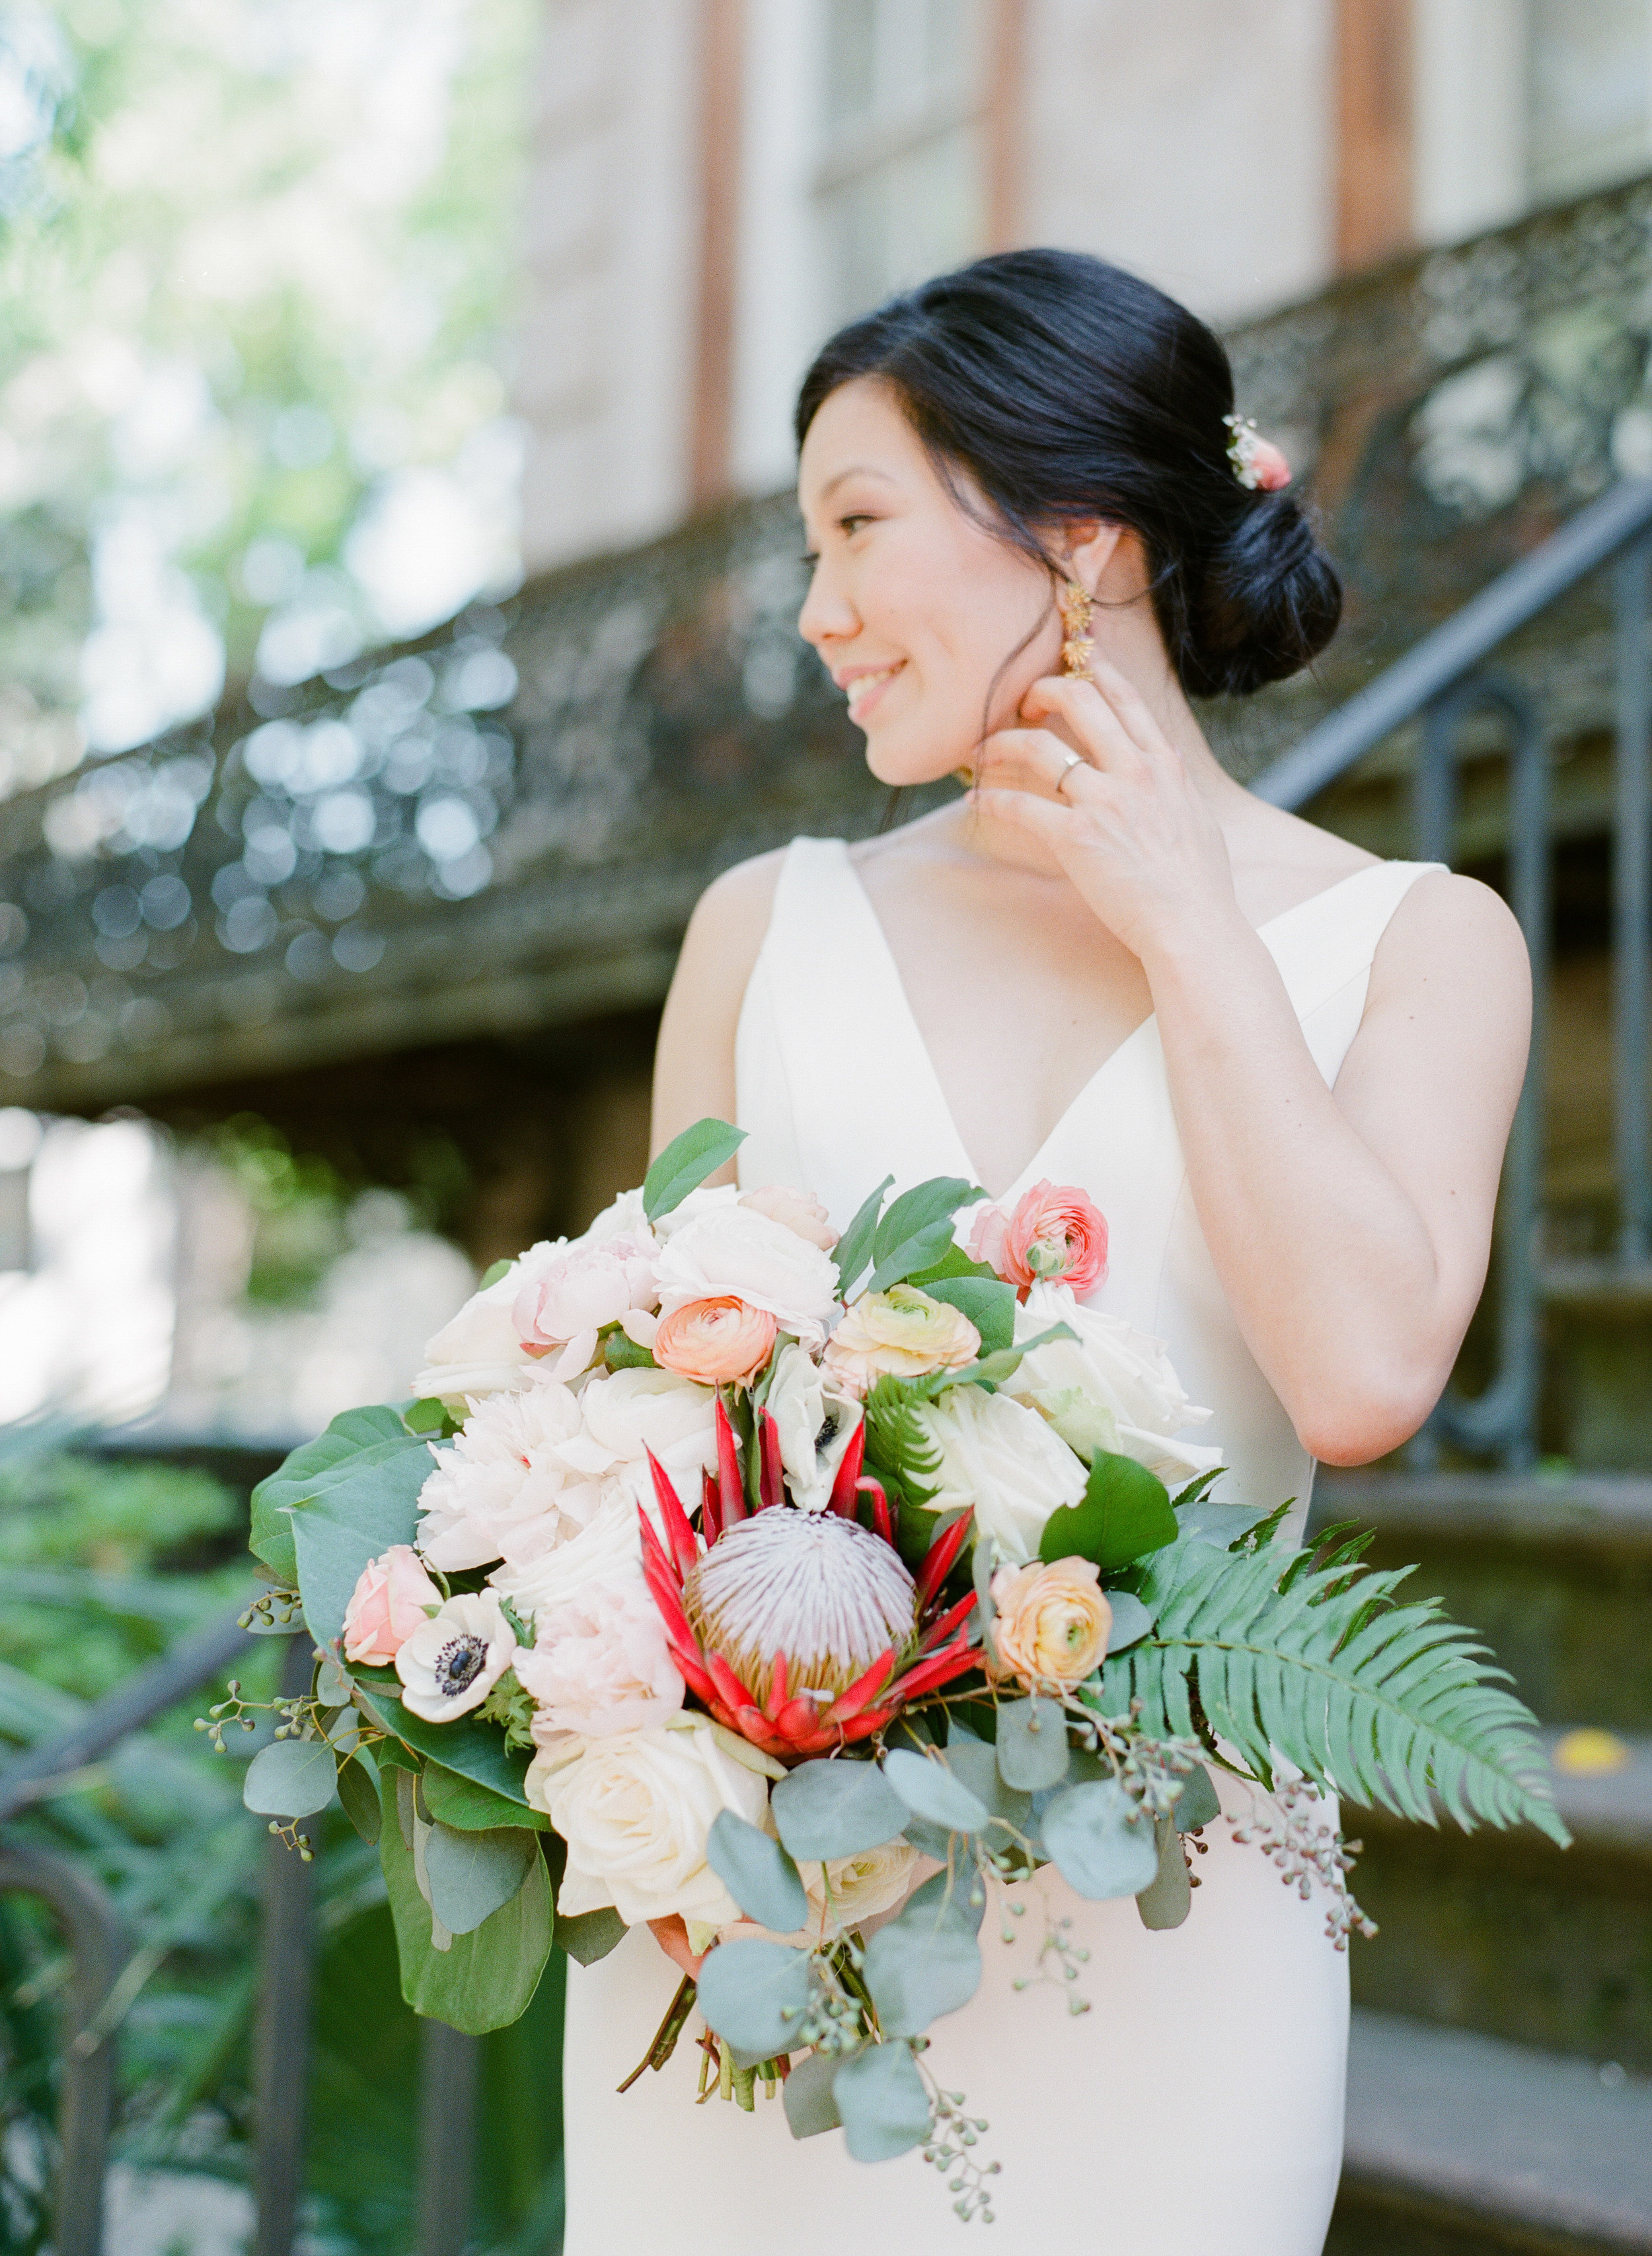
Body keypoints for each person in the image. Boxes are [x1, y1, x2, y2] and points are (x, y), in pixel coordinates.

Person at [559, 248, 1528, 2254]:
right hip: (756, 1921)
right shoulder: (765, 923)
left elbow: (1357, 1379)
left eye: (856, 528)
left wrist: (1186, 923)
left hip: (1165, 1941)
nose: (815, 613)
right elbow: (642, 1433)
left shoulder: (1420, 945)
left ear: (1076, 541)